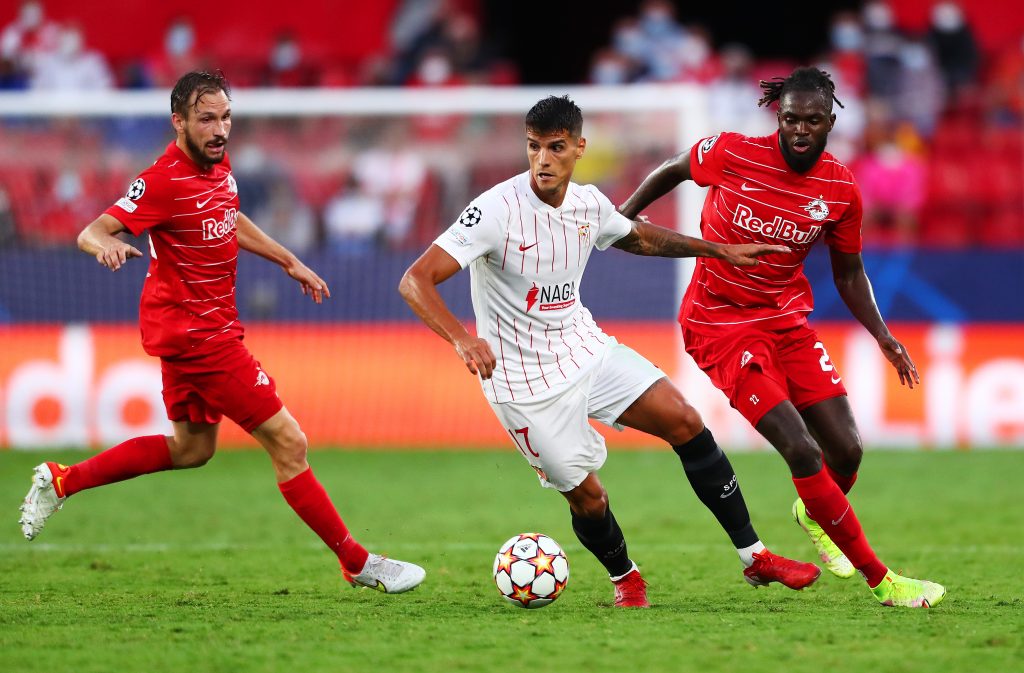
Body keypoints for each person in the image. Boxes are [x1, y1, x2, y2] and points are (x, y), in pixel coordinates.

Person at [399, 95, 820, 608]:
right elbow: (415, 280)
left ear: (579, 148)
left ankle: (754, 556)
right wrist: (462, 339)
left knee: (685, 420)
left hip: (585, 348)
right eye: (533, 147)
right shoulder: (494, 211)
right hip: (523, 384)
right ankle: (627, 579)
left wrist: (718, 250)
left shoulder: (588, 204)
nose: (543, 160)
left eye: (556, 148)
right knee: (589, 498)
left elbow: (637, 236)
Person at [18, 71, 425, 595]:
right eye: (207, 119)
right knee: (289, 442)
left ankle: (62, 480)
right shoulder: (162, 180)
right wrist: (108, 245)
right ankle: (357, 560)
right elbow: (91, 231)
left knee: (192, 449)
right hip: (201, 338)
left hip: (190, 332)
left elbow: (228, 215)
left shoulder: (217, 165)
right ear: (179, 122)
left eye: (226, 117)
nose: (219, 129)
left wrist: (288, 260)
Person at [618, 67, 945, 608]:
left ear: (831, 122)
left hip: (785, 322)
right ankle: (883, 581)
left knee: (846, 451)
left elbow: (849, 273)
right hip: (719, 323)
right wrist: (622, 218)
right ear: (779, 116)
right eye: (790, 118)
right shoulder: (732, 152)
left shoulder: (840, 189)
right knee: (801, 448)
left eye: (812, 120)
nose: (799, 129)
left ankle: (813, 512)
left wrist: (883, 335)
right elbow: (673, 168)